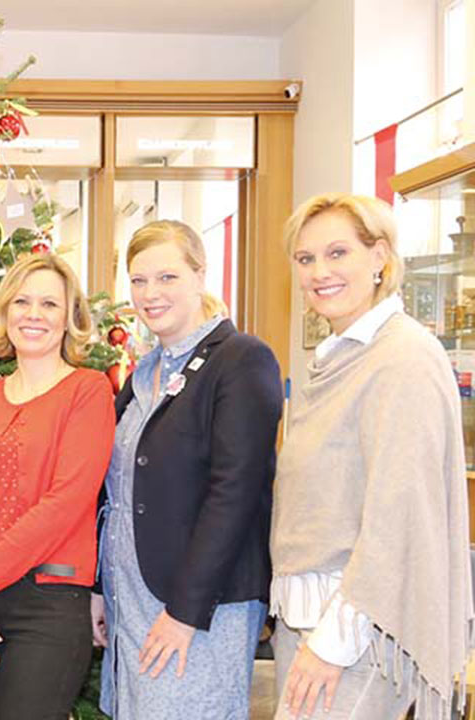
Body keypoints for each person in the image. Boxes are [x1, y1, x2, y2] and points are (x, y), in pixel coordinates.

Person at [271, 193, 473, 720]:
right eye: (306, 258)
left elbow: (397, 517)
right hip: (309, 624)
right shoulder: (340, 355)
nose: (319, 272)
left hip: (355, 637)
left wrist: (332, 644)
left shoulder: (402, 357)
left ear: (380, 256)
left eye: (338, 253)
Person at [91, 220, 283, 718]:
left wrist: (185, 612)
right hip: (130, 598)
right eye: (138, 280)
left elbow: (235, 493)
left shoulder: (241, 360)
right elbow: (116, 490)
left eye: (167, 277)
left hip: (198, 606)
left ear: (200, 275)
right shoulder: (144, 372)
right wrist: (99, 588)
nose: (150, 293)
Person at [0, 252, 113, 720]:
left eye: (49, 304)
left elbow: (64, 505)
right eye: (22, 302)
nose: (34, 314)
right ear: (5, 311)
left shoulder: (88, 391)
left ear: (69, 318)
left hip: (46, 606)